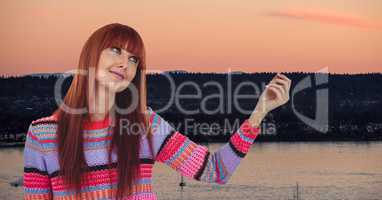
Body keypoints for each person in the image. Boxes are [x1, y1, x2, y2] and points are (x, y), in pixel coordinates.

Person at [23, 23, 291, 200]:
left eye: (133, 58)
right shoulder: (43, 135)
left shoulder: (145, 126)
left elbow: (216, 170)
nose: (124, 63)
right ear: (90, 55)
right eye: (115, 50)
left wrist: (259, 113)